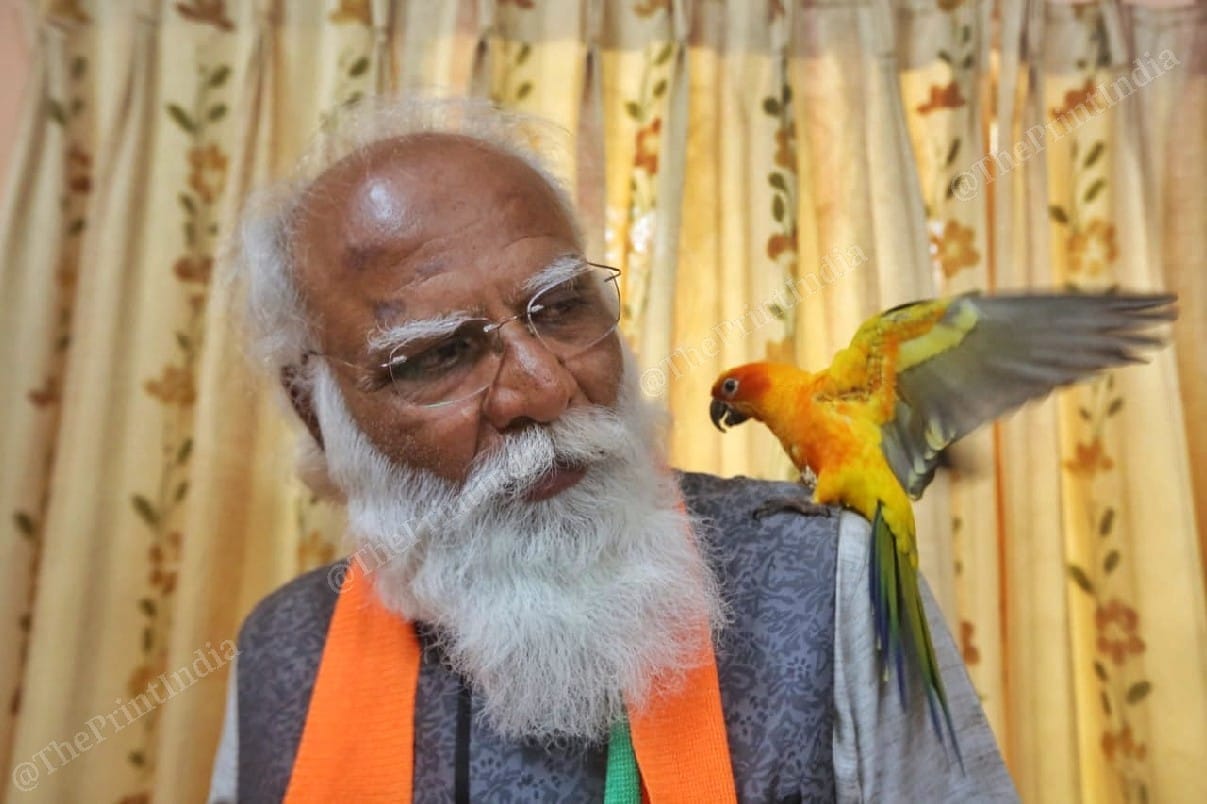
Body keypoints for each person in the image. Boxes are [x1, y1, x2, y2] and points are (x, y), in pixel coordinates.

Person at [208, 96, 1017, 802]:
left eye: (560, 306)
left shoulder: (827, 578)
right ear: (316, 412)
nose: (545, 387)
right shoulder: (286, 651)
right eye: (439, 355)